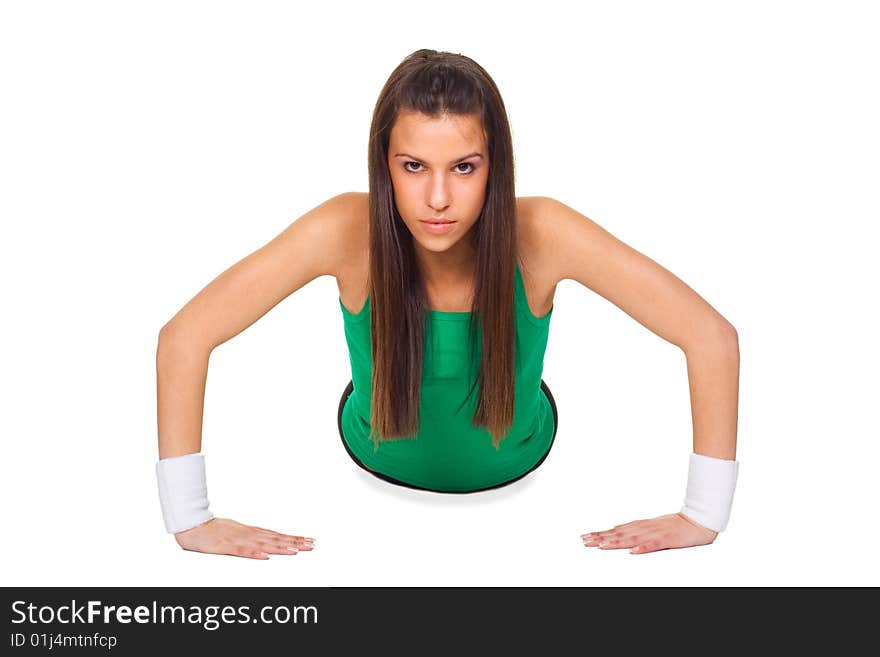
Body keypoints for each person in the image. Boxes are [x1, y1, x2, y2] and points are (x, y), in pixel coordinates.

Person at [155, 49, 740, 560]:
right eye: (413, 167)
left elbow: (710, 336)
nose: (438, 198)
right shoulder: (344, 228)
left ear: (495, 167)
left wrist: (703, 515)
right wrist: (190, 518)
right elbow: (185, 336)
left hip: (522, 452)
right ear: (384, 165)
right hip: (372, 447)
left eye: (464, 167)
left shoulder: (543, 231)